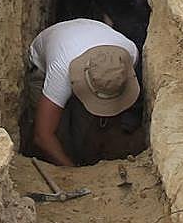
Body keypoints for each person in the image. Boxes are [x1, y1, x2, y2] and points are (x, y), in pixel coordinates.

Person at [25, 18, 142, 167]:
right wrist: (73, 173)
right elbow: (43, 136)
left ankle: (85, 157)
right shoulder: (61, 72)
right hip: (47, 62)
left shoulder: (129, 55)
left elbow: (114, 102)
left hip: (84, 35)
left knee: (84, 130)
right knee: (60, 135)